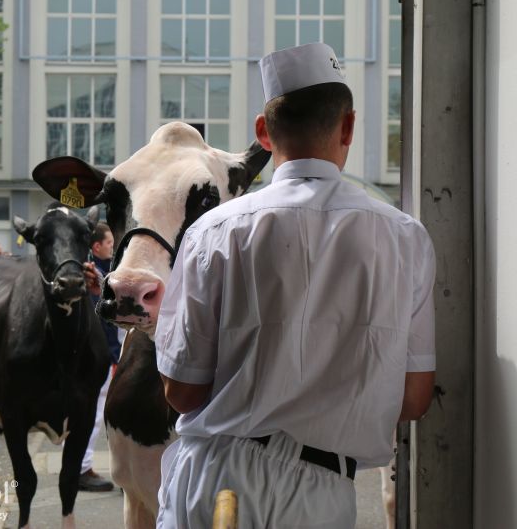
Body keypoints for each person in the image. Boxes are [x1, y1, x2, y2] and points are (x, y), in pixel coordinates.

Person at [154, 43, 437, 528]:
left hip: (220, 482)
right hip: (324, 493)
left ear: (263, 134)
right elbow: (412, 400)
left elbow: (182, 391)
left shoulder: (216, 232)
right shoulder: (404, 238)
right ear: (347, 125)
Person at [78, 222, 119, 492]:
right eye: (109, 244)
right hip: (100, 354)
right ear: (97, 246)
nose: (112, 248)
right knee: (94, 412)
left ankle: (83, 465)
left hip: (104, 352)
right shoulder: (91, 274)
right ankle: (82, 467)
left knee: (98, 411)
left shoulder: (101, 270)